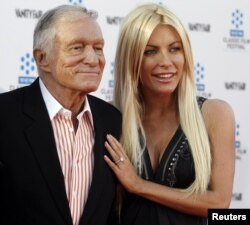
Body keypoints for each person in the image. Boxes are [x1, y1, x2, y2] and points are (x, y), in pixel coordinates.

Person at [104, 3, 235, 225]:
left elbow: (220, 204)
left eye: (174, 49)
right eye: (150, 51)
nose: (166, 62)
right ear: (132, 59)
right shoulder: (110, 117)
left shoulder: (214, 114)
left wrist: (139, 185)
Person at [0, 5, 121, 225]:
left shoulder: (113, 121)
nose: (93, 59)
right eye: (77, 48)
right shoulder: (5, 115)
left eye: (98, 48)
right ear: (42, 58)